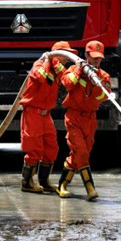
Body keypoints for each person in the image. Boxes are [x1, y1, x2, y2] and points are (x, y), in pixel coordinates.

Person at [56, 40, 111, 201]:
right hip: (74, 117)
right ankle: (90, 188)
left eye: (99, 58)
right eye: (93, 57)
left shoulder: (103, 76)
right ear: (86, 55)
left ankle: (62, 184)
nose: (97, 61)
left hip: (90, 119)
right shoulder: (74, 69)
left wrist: (96, 84)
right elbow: (67, 83)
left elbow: (104, 96)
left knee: (79, 155)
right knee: (81, 152)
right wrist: (80, 71)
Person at [19, 41, 70, 193]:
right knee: (34, 149)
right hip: (33, 113)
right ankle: (27, 183)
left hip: (46, 114)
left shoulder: (58, 69)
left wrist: (58, 65)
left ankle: (44, 181)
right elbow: (40, 77)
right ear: (56, 55)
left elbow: (67, 80)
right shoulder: (40, 64)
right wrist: (50, 61)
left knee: (51, 147)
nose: (67, 59)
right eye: (65, 55)